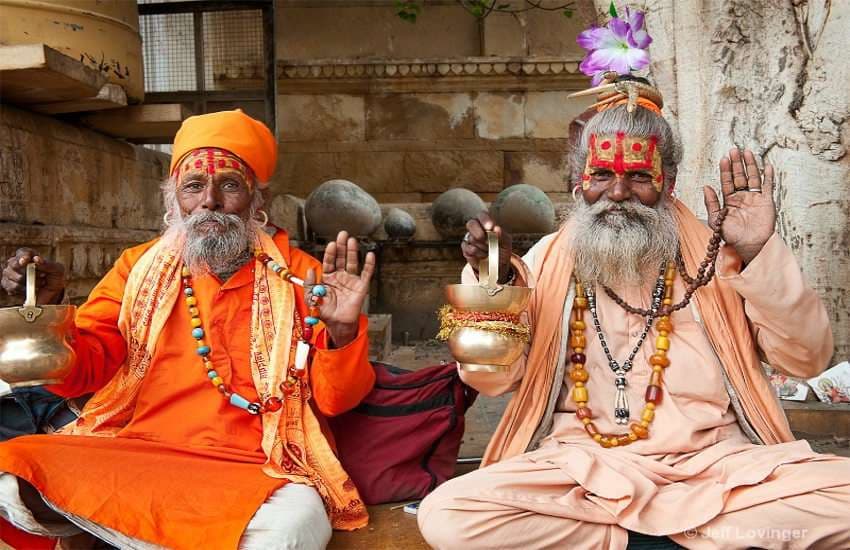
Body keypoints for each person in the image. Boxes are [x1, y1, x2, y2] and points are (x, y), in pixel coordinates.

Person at [417, 78, 850, 549]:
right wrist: (491, 283)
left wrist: (759, 252)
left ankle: (635, 540)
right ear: (578, 178)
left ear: (669, 182)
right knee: (448, 515)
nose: (617, 192)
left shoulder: (716, 257)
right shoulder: (547, 260)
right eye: (602, 174)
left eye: (639, 176)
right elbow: (492, 380)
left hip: (716, 469)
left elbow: (806, 360)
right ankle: (694, 541)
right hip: (579, 471)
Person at [0, 110, 375, 549]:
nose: (210, 201)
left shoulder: (302, 278)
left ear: (258, 200)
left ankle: (128, 534)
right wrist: (50, 315)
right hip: (141, 452)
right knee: (10, 472)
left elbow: (336, 401)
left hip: (257, 467)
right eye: (194, 186)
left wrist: (343, 332)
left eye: (229, 185)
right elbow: (83, 373)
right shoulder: (136, 269)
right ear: (172, 200)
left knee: (296, 527)